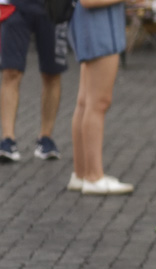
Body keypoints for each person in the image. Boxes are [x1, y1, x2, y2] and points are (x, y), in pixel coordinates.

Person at [66, 0, 133, 194]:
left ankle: (81, 174)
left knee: (86, 102)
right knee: (98, 103)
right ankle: (94, 176)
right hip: (98, 29)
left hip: (92, 27)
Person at [0, 0, 68, 163]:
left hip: (53, 7)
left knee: (52, 74)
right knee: (11, 72)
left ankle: (46, 138)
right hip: (15, 6)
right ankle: (8, 139)